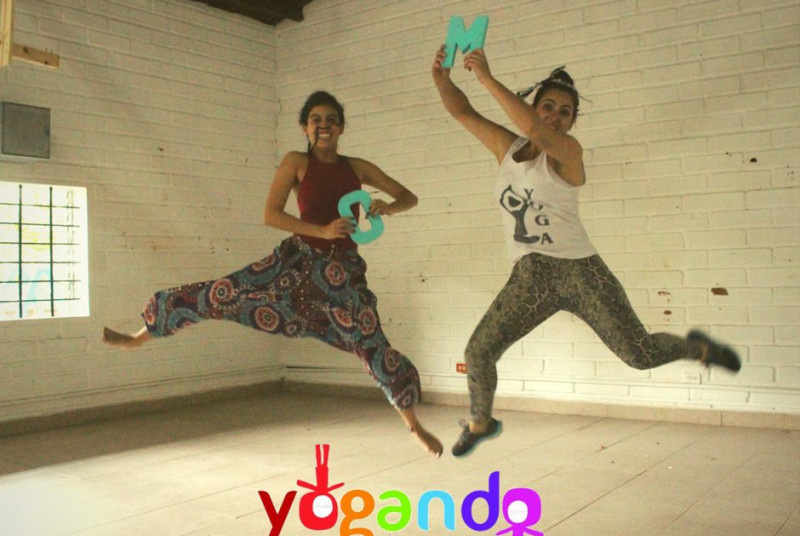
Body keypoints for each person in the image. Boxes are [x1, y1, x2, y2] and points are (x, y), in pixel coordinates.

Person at [431, 45, 741, 457]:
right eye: (548, 106)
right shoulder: (508, 149)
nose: (555, 116)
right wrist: (442, 79)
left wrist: (486, 77)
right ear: (534, 106)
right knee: (479, 351)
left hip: (581, 273)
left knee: (640, 354)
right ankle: (480, 421)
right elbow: (462, 112)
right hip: (530, 278)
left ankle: (698, 348)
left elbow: (537, 132)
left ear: (572, 122)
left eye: (565, 112)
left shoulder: (569, 153)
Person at [103, 91, 443, 457]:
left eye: (331, 120)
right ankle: (142, 335)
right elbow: (271, 215)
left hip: (343, 273)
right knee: (224, 292)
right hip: (295, 263)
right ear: (305, 127)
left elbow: (409, 197)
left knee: (371, 341)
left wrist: (387, 207)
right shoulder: (297, 161)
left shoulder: (357, 167)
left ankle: (414, 425)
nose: (324, 125)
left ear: (342, 127)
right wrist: (322, 230)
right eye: (316, 120)